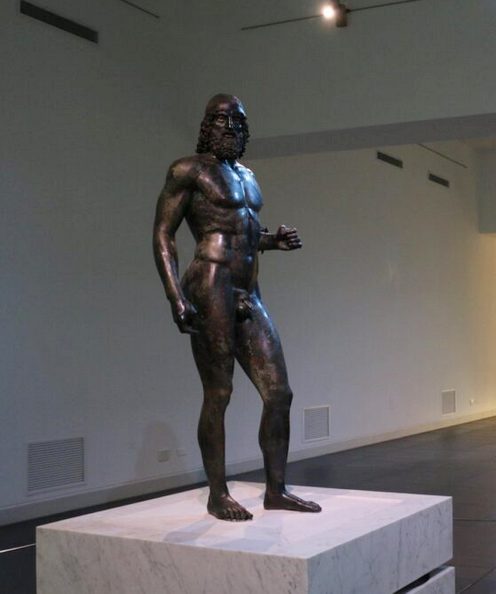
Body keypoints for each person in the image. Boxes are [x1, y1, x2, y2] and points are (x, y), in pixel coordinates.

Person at [153, 94, 320, 520]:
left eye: (238, 122)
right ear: (206, 125)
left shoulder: (247, 175)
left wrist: (272, 241)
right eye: (222, 120)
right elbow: (164, 233)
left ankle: (276, 490)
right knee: (219, 392)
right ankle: (218, 493)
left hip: (249, 289)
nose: (230, 128)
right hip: (210, 284)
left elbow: (243, 232)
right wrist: (175, 296)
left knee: (279, 393)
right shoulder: (188, 170)